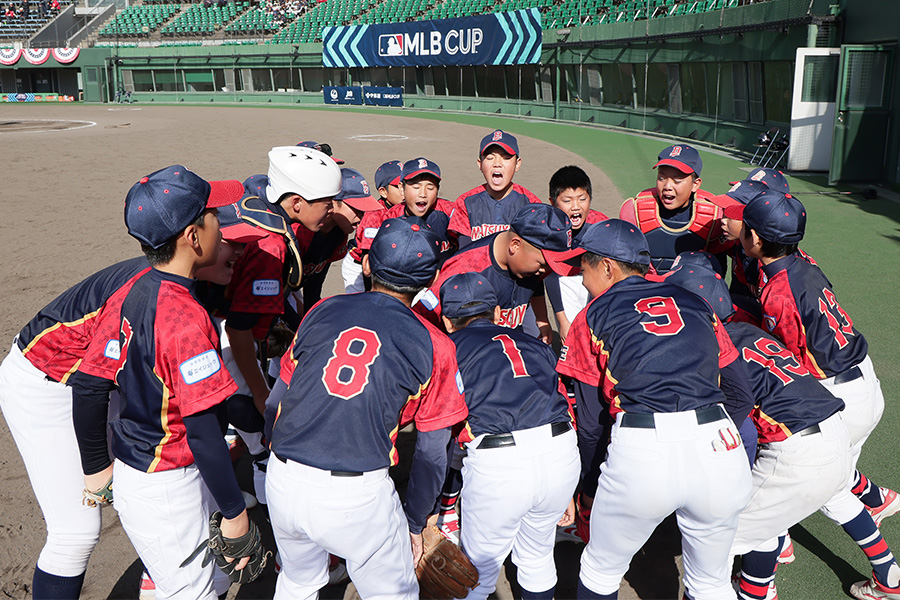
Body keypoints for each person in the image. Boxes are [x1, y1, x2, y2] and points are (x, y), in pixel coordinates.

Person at [69, 166, 258, 598]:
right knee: (192, 592)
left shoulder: (130, 291)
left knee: (200, 580)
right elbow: (204, 431)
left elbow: (89, 384)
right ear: (194, 237)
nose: (222, 225)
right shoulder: (185, 318)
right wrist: (233, 512)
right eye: (214, 217)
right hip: (169, 483)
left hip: (140, 470)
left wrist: (96, 467)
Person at [263, 217, 468, 599]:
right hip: (356, 497)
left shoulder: (322, 309)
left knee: (298, 582)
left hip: (283, 478)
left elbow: (277, 401)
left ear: (368, 265)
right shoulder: (435, 344)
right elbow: (431, 452)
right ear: (429, 280)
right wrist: (414, 522)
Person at [556, 219, 753, 600]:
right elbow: (740, 393)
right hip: (720, 445)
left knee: (599, 571)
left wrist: (588, 489)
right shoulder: (696, 302)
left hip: (643, 447)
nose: (581, 279)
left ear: (608, 267)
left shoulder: (591, 315)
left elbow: (591, 424)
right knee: (710, 583)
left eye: (585, 267)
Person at [739, 193, 900, 600]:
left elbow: (788, 361)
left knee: (813, 485)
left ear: (755, 238)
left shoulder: (780, 295)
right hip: (862, 380)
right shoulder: (801, 262)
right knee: (835, 482)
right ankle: (882, 535)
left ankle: (765, 571)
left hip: (836, 393)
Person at [665, 263, 852, 600]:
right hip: (832, 433)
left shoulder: (712, 351)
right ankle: (759, 587)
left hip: (798, 452)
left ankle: (755, 592)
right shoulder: (750, 332)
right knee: (757, 524)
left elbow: (739, 412)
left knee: (716, 541)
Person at [440, 273, 579, 600]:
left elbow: (441, 432)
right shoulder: (533, 343)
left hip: (499, 464)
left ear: (447, 321)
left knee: (477, 571)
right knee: (537, 557)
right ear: (499, 312)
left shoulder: (447, 349)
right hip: (561, 452)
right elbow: (563, 405)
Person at [619, 144, 728, 273]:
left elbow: (718, 270)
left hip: (690, 288)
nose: (667, 186)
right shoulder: (636, 211)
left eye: (677, 180)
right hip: (647, 289)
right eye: (661, 178)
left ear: (695, 184)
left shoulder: (713, 216)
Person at [543, 165, 609, 341]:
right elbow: (550, 277)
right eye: (567, 200)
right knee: (571, 342)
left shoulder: (600, 226)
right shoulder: (548, 229)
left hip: (596, 286)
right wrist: (562, 320)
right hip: (564, 285)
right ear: (552, 202)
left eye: (582, 199)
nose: (576, 207)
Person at [449, 129, 543, 247]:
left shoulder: (531, 203)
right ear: (480, 164)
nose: (497, 163)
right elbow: (464, 253)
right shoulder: (465, 202)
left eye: (506, 157)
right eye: (490, 157)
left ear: (517, 164)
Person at [341, 160, 404, 293]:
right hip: (358, 267)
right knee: (361, 305)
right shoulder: (374, 216)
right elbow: (367, 264)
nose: (404, 190)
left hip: (387, 263)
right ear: (383, 192)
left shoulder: (409, 208)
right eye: (398, 186)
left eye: (407, 183)